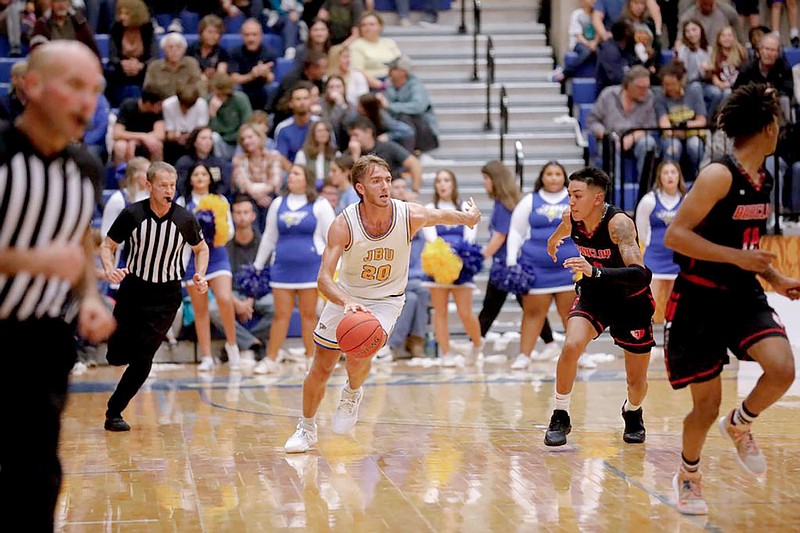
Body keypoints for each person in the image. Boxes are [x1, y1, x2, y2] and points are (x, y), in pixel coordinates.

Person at [283, 155, 481, 453]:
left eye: (388, 180)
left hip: (386, 301)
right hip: (346, 295)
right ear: (361, 188)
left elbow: (438, 214)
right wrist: (346, 301)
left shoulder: (407, 214)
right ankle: (306, 428)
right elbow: (323, 279)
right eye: (377, 181)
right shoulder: (344, 224)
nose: (385, 186)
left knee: (359, 355)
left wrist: (466, 218)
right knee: (320, 367)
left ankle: (351, 393)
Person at [664, 83, 800, 516]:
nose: (779, 129)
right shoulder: (718, 175)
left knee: (782, 369)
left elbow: (748, 244)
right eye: (776, 122)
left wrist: (774, 277)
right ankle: (688, 476)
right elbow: (676, 235)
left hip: (742, 294)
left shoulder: (764, 178)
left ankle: (740, 425)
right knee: (705, 407)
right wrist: (738, 258)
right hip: (699, 300)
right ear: (765, 128)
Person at [0, 40, 115, 532]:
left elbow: (78, 245)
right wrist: (30, 260)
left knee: (39, 476)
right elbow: (49, 255)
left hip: (43, 340)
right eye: (74, 85)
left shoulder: (86, 168)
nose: (87, 100)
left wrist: (88, 295)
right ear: (30, 87)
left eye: (95, 90)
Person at [544, 167, 655, 447]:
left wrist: (593, 271)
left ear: (597, 198)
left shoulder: (619, 225)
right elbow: (565, 227)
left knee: (636, 381)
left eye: (577, 195)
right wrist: (553, 241)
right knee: (571, 346)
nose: (570, 201)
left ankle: (632, 412)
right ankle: (560, 413)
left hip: (631, 299)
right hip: (596, 294)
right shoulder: (573, 217)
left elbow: (640, 274)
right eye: (569, 195)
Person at [100, 161, 209, 432]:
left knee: (144, 358)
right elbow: (108, 245)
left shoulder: (185, 219)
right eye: (163, 185)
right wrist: (110, 269)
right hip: (133, 290)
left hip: (166, 295)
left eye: (172, 185)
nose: (168, 190)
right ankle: (118, 353)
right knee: (115, 355)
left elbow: (201, 249)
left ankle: (114, 411)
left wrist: (200, 274)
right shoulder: (132, 214)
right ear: (148, 186)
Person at [253, 164, 336, 374]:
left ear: (307, 179)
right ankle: (271, 358)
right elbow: (270, 236)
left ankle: (311, 358)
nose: (291, 177)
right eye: (290, 174)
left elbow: (333, 238)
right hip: (282, 267)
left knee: (309, 315)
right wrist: (258, 265)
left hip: (310, 268)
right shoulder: (278, 203)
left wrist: (336, 267)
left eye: (297, 173)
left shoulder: (320, 204)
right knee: (281, 315)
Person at [505, 161, 579, 370]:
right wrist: (512, 260)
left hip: (568, 267)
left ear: (564, 176)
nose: (554, 178)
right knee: (532, 313)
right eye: (549, 174)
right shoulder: (530, 200)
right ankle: (524, 355)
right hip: (535, 267)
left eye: (558, 173)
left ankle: (579, 356)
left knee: (572, 314)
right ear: (542, 177)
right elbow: (516, 231)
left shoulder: (574, 198)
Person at [177, 163, 240, 372]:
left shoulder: (220, 200)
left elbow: (230, 231)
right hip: (192, 259)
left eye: (204, 173)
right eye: (196, 174)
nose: (201, 177)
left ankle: (233, 347)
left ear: (210, 178)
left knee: (224, 299)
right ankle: (206, 356)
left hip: (218, 255)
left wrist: (214, 230)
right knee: (200, 309)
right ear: (191, 179)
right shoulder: (182, 202)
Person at [423, 170, 484, 367]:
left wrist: (458, 256)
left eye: (447, 180)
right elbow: (430, 237)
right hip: (437, 264)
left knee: (465, 312)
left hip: (462, 264)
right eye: (439, 181)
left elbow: (470, 236)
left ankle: (477, 344)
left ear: (453, 184)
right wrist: (444, 256)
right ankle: (446, 353)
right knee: (439, 312)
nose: (442, 184)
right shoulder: (429, 208)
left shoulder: (466, 207)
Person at [635, 160, 684, 326]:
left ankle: (673, 342)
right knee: (649, 303)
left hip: (678, 258)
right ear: (659, 177)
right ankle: (646, 344)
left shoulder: (687, 199)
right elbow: (641, 229)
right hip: (654, 257)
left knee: (677, 306)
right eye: (666, 173)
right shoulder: (649, 200)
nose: (670, 176)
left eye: (673, 172)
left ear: (679, 176)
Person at [386, 175, 428, 359]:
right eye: (397, 186)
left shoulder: (414, 212)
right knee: (420, 291)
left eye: (404, 187)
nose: (401, 190)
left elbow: (422, 250)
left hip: (413, 275)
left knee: (413, 297)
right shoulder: (387, 214)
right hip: (392, 277)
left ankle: (405, 344)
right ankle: (413, 342)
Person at [100, 157, 151, 295]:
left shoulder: (151, 199)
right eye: (147, 172)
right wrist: (110, 270)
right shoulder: (118, 199)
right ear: (136, 175)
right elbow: (105, 238)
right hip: (123, 262)